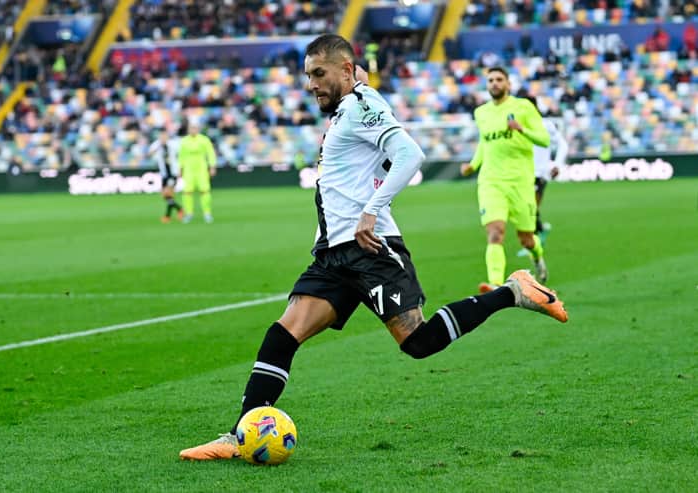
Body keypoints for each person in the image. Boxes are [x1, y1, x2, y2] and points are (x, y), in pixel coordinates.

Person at [179, 35, 568, 462]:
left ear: (345, 71)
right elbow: (360, 87)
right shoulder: (353, 101)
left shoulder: (361, 107)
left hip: (371, 249)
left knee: (418, 343)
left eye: (319, 74)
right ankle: (240, 435)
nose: (311, 84)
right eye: (308, 75)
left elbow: (410, 154)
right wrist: (360, 81)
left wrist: (371, 210)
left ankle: (511, 292)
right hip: (333, 254)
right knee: (282, 335)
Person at [460, 67, 551, 293]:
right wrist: (473, 164)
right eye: (490, 80)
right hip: (491, 181)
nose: (494, 83)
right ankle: (496, 285)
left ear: (508, 84)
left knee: (527, 239)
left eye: (499, 79)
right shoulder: (481, 112)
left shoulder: (523, 107)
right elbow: (485, 143)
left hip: (520, 182)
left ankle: (538, 256)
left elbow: (544, 140)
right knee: (495, 232)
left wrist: (521, 130)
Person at [517, 96, 568, 255]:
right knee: (524, 208)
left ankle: (534, 239)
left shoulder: (545, 125)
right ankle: (540, 230)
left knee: (529, 207)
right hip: (522, 173)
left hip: (540, 173)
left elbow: (562, 144)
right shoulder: (518, 128)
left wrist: (557, 164)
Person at [178, 121, 217, 223]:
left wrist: (212, 166)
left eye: (195, 128)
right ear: (188, 129)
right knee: (187, 192)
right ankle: (189, 214)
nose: (193, 130)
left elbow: (210, 153)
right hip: (188, 170)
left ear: (198, 129)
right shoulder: (184, 141)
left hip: (201, 169)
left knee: (205, 191)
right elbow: (181, 156)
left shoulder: (204, 140)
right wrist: (180, 169)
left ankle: (207, 213)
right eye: (191, 128)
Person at [146, 130, 183, 223]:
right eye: (161, 137)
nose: (163, 138)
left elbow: (181, 155)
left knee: (168, 193)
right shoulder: (157, 145)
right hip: (164, 173)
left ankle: (167, 216)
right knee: (165, 196)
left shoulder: (173, 144)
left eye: (164, 136)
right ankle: (179, 209)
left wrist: (180, 169)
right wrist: (157, 148)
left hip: (173, 173)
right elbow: (149, 154)